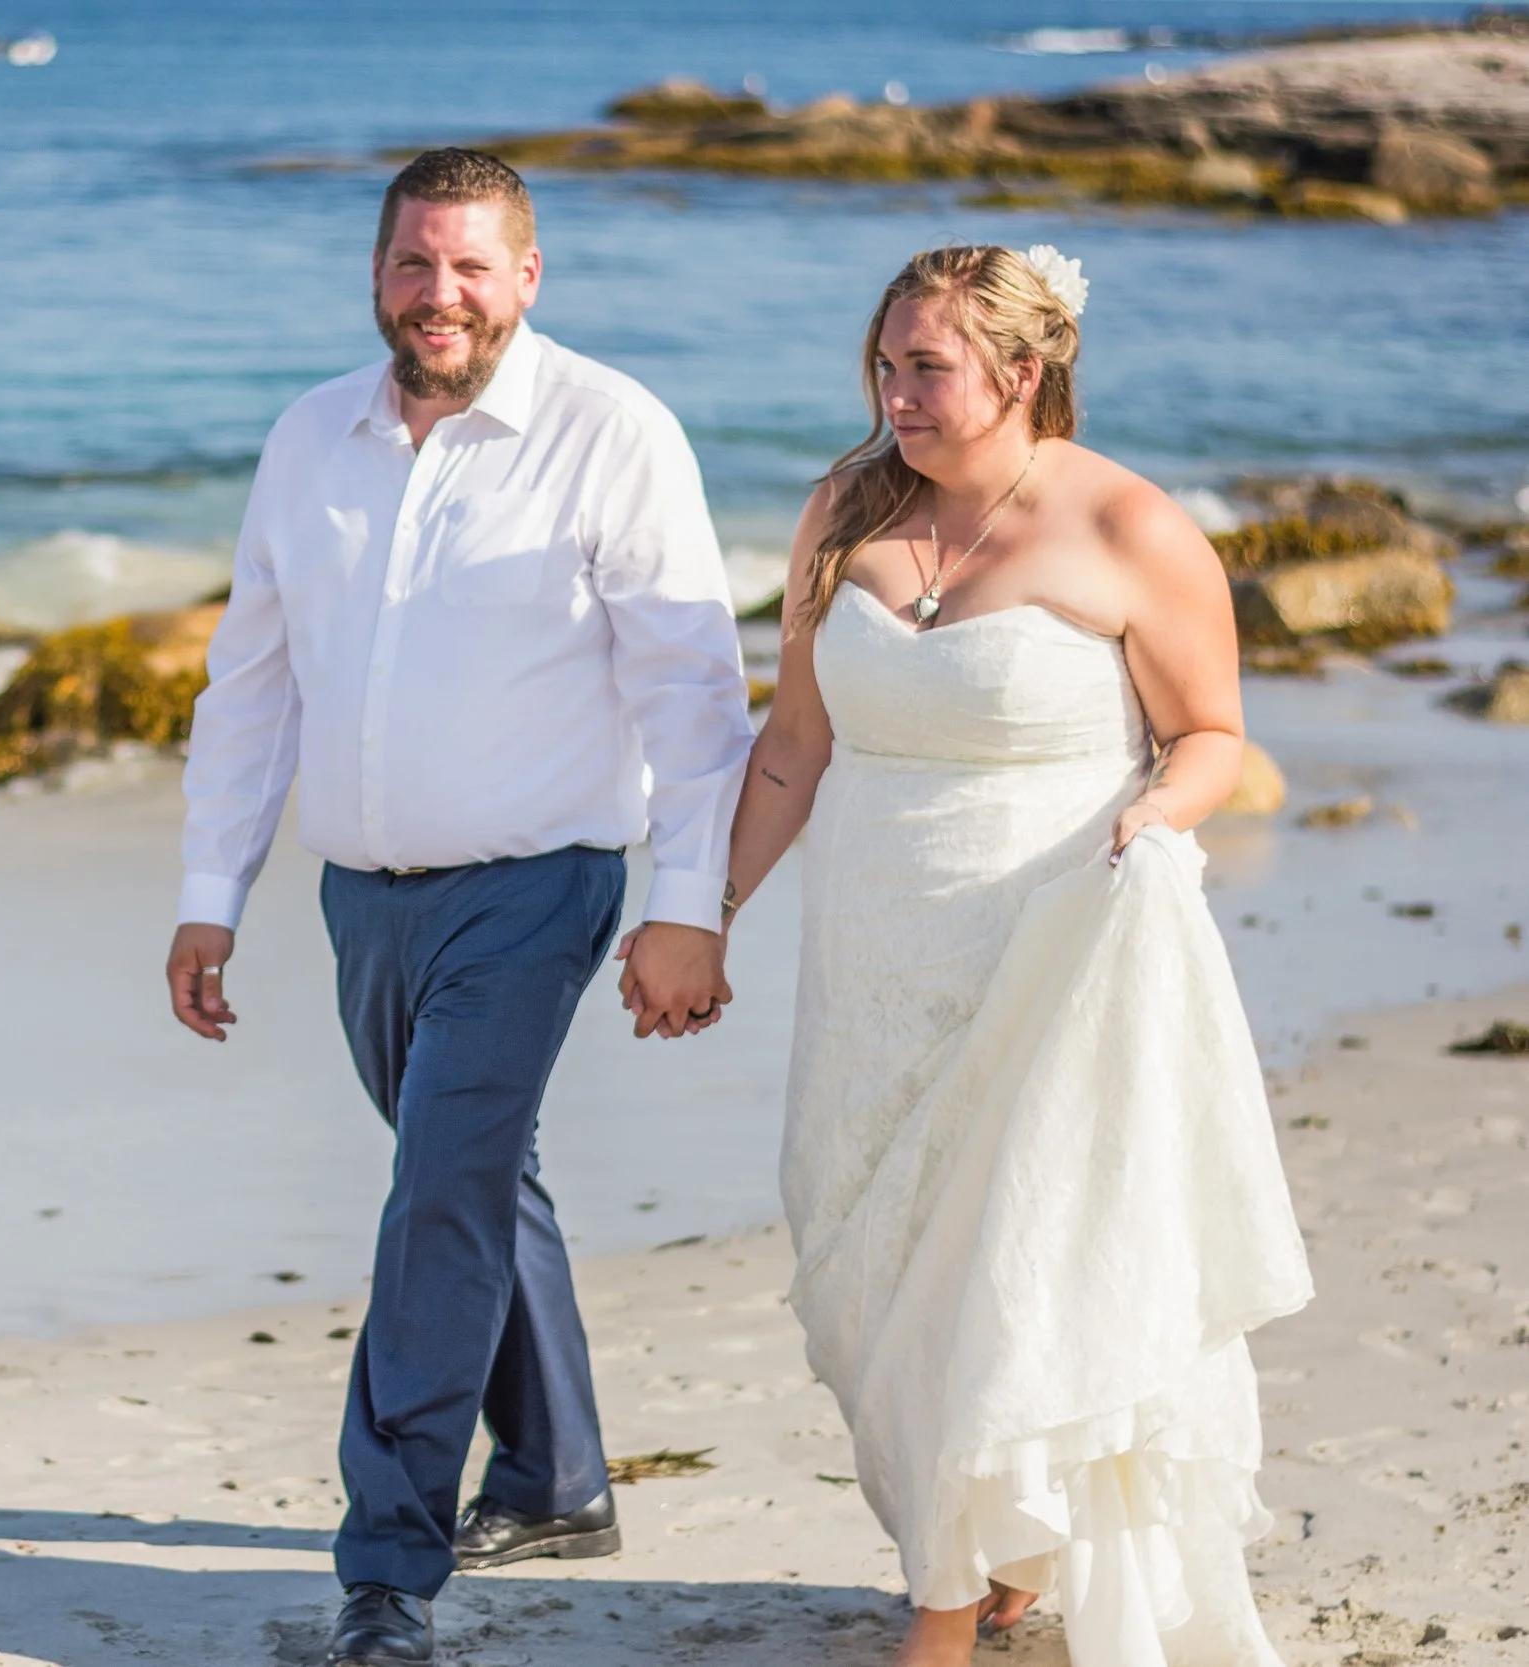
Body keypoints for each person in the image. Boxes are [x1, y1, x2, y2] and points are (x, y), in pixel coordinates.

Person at [675, 244, 1312, 1666]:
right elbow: (795, 742)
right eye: (884, 363)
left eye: (928, 367)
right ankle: (1007, 1546)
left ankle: (946, 1612)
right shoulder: (846, 506)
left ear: (1024, 374)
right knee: (873, 1267)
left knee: (1012, 1266)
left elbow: (1215, 733)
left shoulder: (1131, 527)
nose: (896, 393)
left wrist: (1157, 812)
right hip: (874, 956)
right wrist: (704, 910)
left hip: (1051, 946)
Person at [163, 148, 753, 1666]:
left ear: (529, 276)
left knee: (437, 1195)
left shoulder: (611, 431)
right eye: (417, 264)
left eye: (474, 267)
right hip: (362, 901)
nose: (442, 296)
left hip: (540, 887)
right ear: (377, 270)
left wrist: (690, 905)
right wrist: (207, 891)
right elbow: (251, 683)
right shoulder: (309, 440)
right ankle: (555, 1475)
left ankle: (386, 1564)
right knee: (477, 1175)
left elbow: (693, 696)